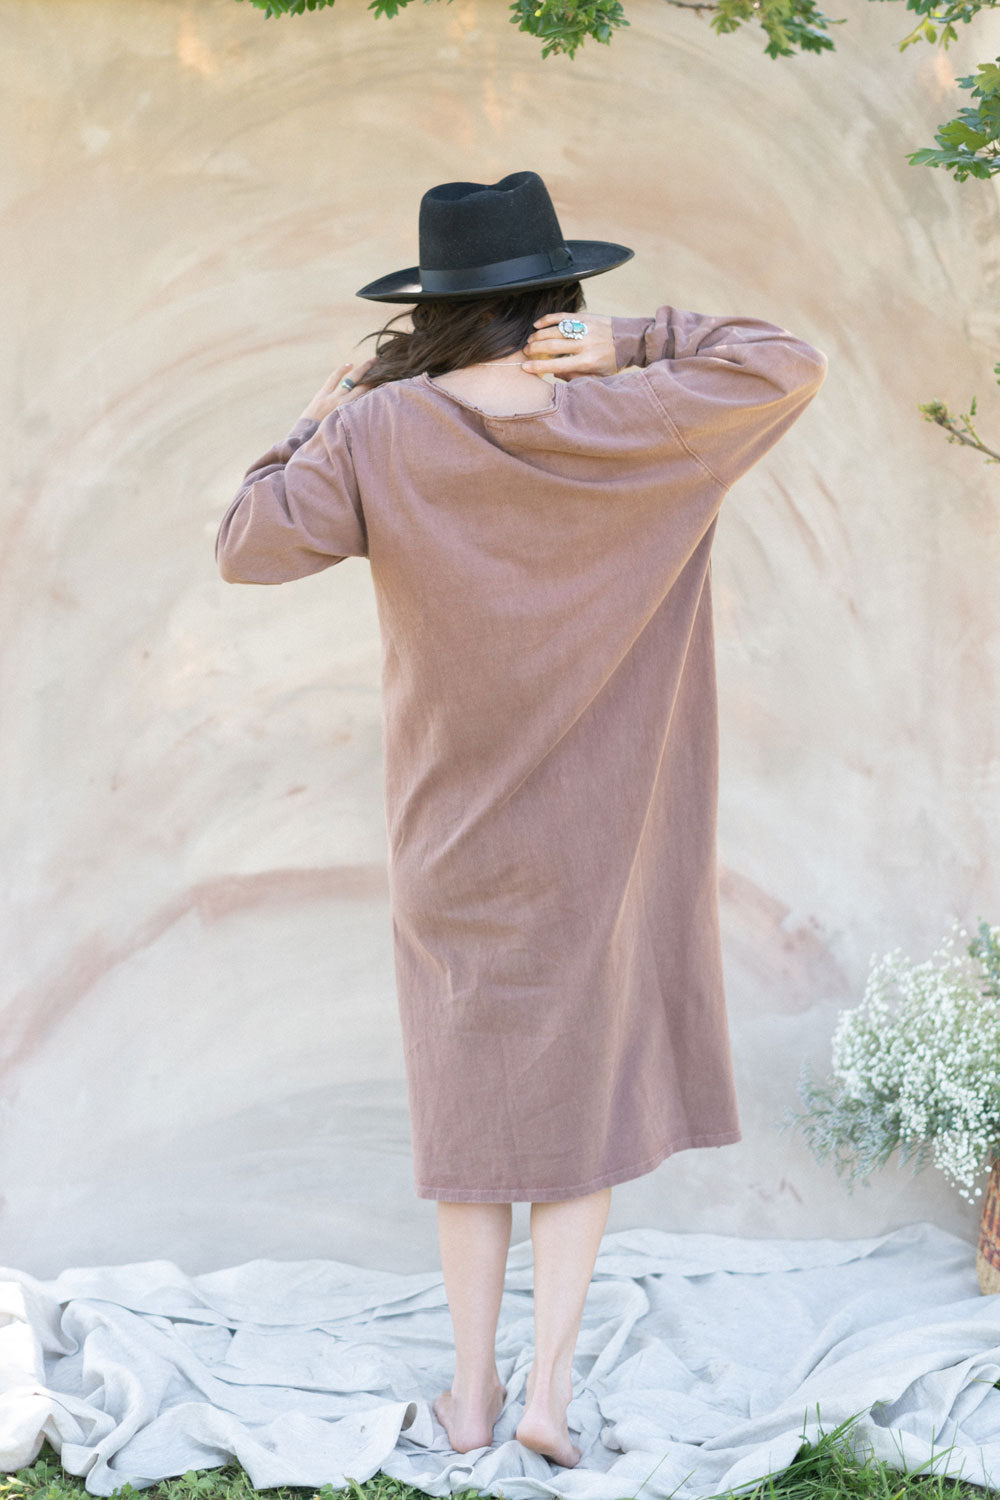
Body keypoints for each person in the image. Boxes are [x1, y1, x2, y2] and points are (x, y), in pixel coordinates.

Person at [215, 170, 828, 1469]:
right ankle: (549, 1397)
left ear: (436, 307)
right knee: (575, 1121)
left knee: (473, 1130)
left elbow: (246, 542)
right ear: (558, 301)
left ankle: (474, 1400)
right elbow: (787, 358)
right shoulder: (641, 416)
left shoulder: (380, 438)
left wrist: (311, 419)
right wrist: (640, 341)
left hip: (453, 849)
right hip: (609, 846)